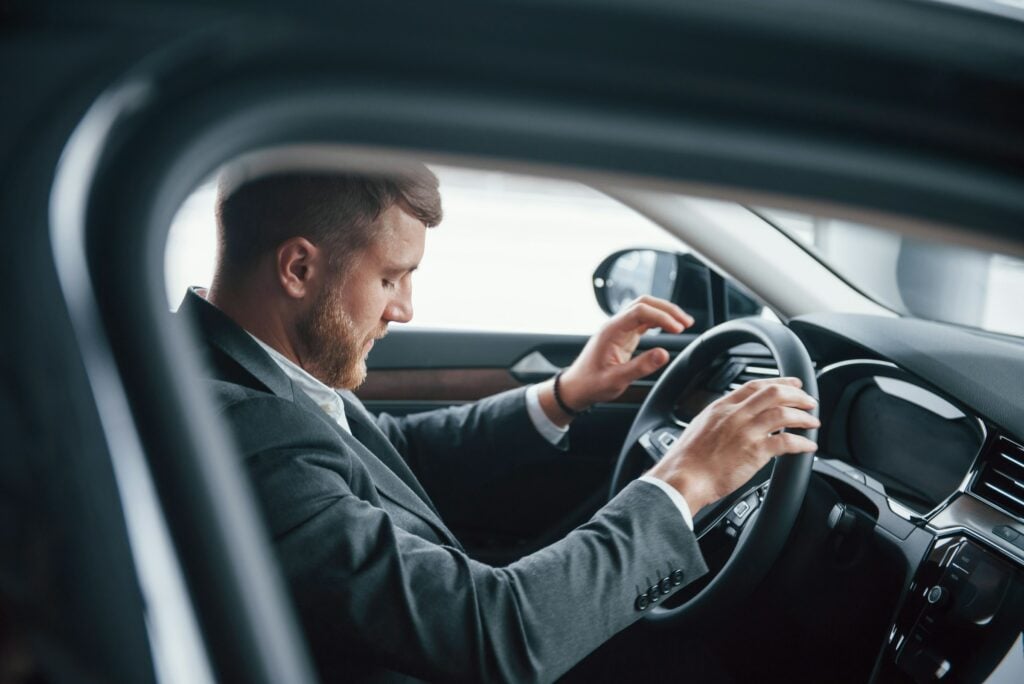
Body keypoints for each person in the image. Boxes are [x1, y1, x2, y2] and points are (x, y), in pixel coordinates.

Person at [180, 155, 819, 683]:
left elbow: (395, 456)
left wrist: (563, 394)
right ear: (298, 268)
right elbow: (494, 632)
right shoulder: (243, 429)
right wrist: (688, 480)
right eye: (390, 278)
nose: (405, 309)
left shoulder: (256, 372)